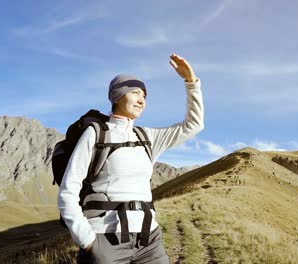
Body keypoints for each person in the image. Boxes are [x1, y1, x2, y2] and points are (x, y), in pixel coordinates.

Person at [58, 53, 204, 263]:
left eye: (144, 95)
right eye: (135, 92)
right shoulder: (97, 133)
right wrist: (88, 241)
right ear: (118, 96)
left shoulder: (147, 137)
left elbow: (193, 125)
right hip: (106, 239)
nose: (142, 99)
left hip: (149, 240)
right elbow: (67, 191)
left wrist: (191, 82)